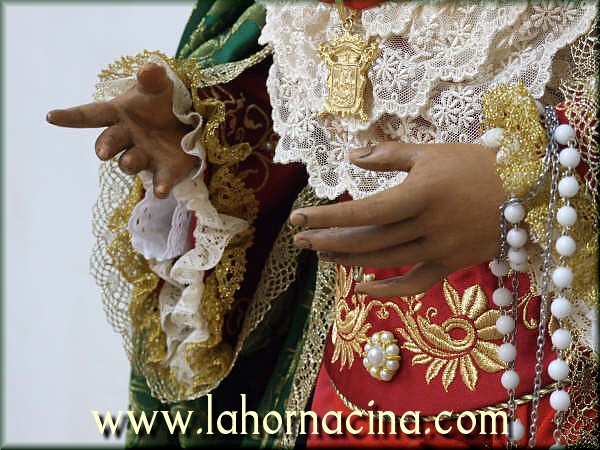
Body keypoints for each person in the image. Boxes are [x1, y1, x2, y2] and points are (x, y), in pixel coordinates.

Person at [47, 1, 598, 447]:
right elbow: (310, 124)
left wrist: (542, 178)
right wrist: (206, 132)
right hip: (342, 402)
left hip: (556, 384)